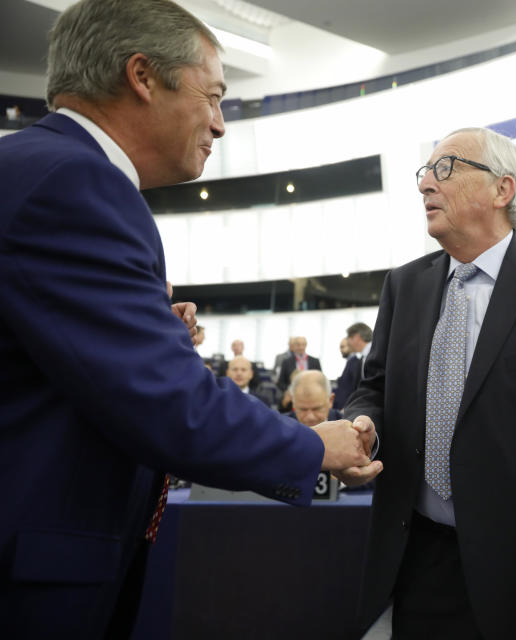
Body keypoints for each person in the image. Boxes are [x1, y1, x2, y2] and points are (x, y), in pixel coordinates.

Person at [0, 1, 374, 637]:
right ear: (142, 76)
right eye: (215, 96)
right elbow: (166, 402)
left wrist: (148, 331)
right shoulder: (75, 183)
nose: (222, 125)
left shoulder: (40, 170)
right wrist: (312, 444)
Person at [341, 127, 516, 640]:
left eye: (446, 168)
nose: (426, 184)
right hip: (413, 564)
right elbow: (376, 389)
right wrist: (364, 425)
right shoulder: (403, 285)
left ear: (503, 190)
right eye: (424, 172)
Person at [334, 322, 372, 411]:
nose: (348, 342)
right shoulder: (363, 358)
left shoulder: (375, 354)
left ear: (356, 337)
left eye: (348, 338)